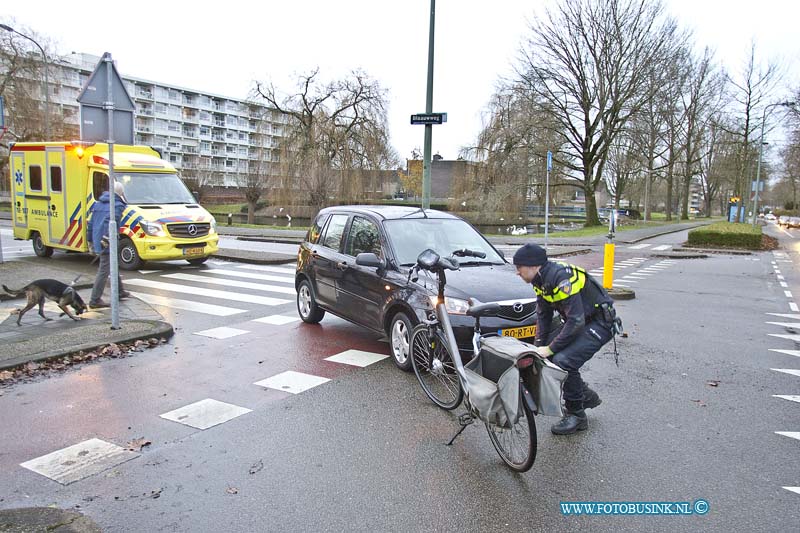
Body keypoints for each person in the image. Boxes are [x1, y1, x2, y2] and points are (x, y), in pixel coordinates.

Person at [513, 243, 618, 435]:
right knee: (549, 357)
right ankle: (584, 396)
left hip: (600, 323)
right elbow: (543, 317)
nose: (517, 273)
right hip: (582, 320)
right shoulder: (540, 280)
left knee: (564, 360)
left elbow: (575, 322)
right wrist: (538, 348)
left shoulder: (560, 278)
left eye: (519, 268)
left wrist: (551, 348)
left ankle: (577, 415)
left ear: (533, 266)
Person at [87, 181, 130, 308]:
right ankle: (95, 299)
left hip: (97, 239)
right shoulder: (116, 206)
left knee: (113, 264)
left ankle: (120, 291)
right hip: (107, 241)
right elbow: (111, 222)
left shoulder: (98, 204)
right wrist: (107, 238)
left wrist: (90, 241)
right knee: (104, 270)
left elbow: (91, 223)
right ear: (120, 193)